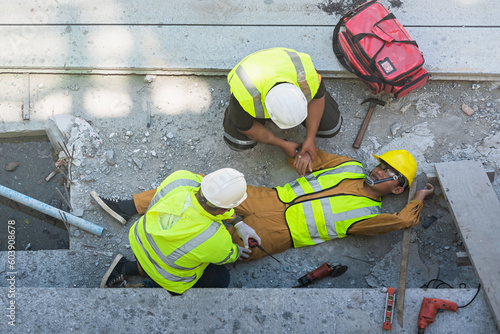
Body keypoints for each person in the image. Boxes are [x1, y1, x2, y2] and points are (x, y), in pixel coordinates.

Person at [96, 149, 434, 263]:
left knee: (217, 248)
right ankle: (130, 206)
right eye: (382, 165)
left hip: (279, 232)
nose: (380, 171)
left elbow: (400, 221)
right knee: (208, 185)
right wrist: (299, 155)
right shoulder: (347, 165)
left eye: (390, 174)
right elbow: (310, 155)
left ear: (397, 187)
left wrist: (417, 199)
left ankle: (137, 269)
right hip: (271, 196)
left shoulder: (369, 216)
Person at [93, 168, 261, 295]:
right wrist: (236, 251)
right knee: (221, 278)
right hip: (166, 275)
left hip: (139, 240)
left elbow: (212, 202)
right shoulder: (216, 238)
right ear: (227, 207)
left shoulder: (181, 178)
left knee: (174, 253)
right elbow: (226, 255)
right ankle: (154, 287)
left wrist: (237, 222)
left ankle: (127, 267)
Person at [223, 47, 342, 176]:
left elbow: (318, 98)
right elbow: (246, 128)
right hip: (252, 74)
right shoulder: (245, 94)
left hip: (284, 65)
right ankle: (233, 112)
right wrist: (281, 144)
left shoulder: (306, 76)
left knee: (330, 127)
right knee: (238, 141)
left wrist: (310, 138)